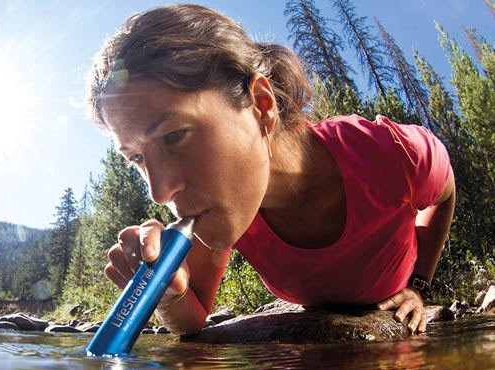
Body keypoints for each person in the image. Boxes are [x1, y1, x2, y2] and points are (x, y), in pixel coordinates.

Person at [86, 4, 455, 336]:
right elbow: (194, 316)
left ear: (261, 105)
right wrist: (169, 293)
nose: (160, 192)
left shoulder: (390, 154)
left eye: (174, 135)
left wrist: (419, 285)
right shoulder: (222, 207)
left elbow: (446, 192)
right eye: (136, 158)